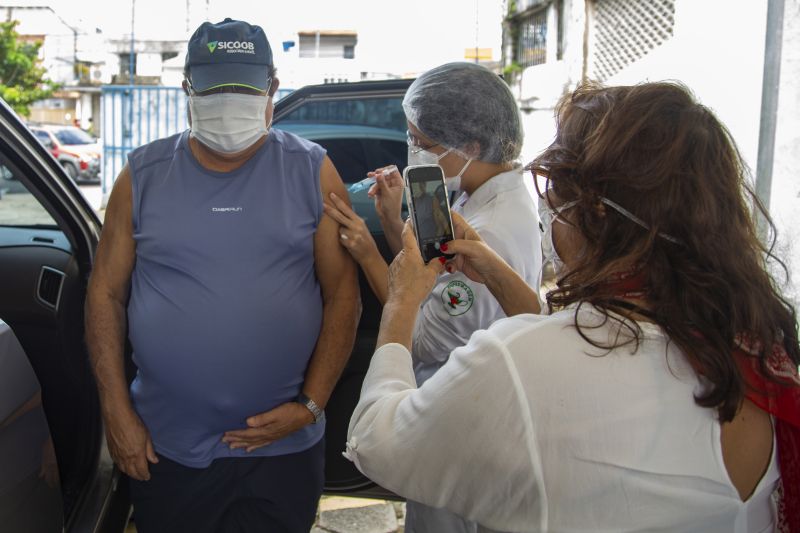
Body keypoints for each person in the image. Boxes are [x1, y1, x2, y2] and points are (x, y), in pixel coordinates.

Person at [345, 82, 800, 532]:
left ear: (596, 212)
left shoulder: (519, 360)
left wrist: (402, 300)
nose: (546, 213)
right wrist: (502, 276)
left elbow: (376, 441)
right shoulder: (749, 336)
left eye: (555, 195)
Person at [85, 18, 360, 533]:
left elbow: (343, 295)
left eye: (244, 87)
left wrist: (311, 403)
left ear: (272, 89)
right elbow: (104, 294)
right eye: (216, 88)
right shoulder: (141, 177)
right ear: (188, 87)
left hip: (284, 448)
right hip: (168, 446)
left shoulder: (313, 171)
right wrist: (116, 414)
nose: (230, 100)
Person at [325, 62, 542, 533]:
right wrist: (390, 217)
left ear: (470, 146)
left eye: (422, 142)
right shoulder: (472, 195)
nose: (412, 151)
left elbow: (420, 334)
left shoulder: (493, 231)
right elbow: (424, 268)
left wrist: (365, 252)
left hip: (460, 425)